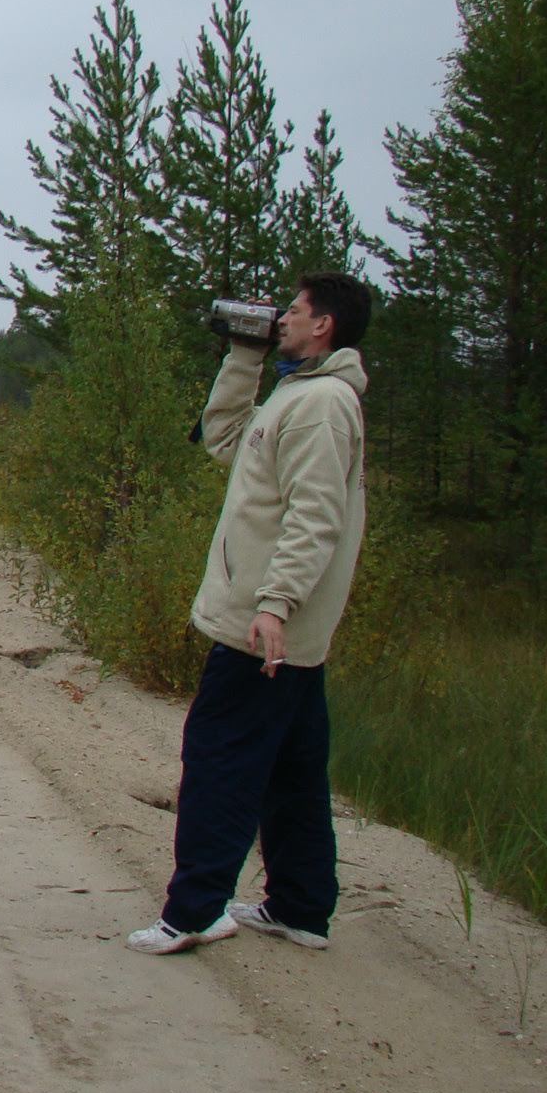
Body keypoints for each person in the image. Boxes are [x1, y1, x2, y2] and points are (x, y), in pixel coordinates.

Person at [128, 270, 374, 956]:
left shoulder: (323, 404)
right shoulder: (297, 397)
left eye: (292, 312)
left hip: (264, 630)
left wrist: (274, 605)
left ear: (323, 324)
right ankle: (299, 907)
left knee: (219, 762)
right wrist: (244, 354)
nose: (282, 319)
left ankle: (195, 911)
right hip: (286, 633)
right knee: (294, 769)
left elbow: (315, 517)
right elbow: (225, 441)